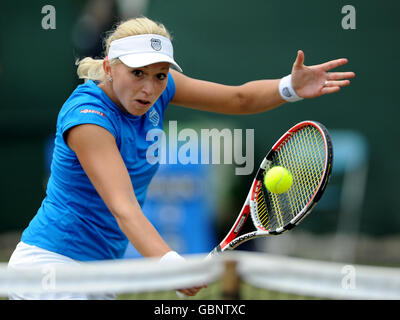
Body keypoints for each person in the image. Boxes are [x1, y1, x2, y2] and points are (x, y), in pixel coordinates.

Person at [7, 16, 355, 300]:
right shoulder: (87, 118)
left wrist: (289, 87)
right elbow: (123, 207)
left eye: (159, 75)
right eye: (137, 73)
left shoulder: (160, 89)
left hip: (101, 271)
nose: (149, 88)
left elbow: (238, 100)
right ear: (110, 68)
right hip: (52, 270)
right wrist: (173, 264)